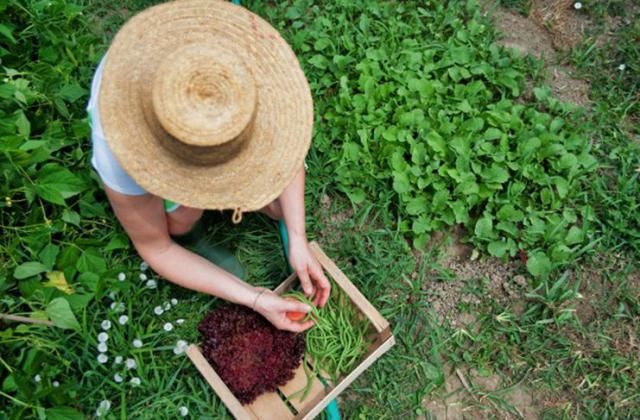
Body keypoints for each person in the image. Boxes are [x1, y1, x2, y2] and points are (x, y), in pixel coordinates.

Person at [86, 0, 330, 332]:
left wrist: (298, 238)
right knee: (179, 219)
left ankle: (253, 200)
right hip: (153, 156)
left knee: (269, 195)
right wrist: (253, 297)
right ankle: (195, 230)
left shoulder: (242, 69)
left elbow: (284, 147)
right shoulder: (119, 150)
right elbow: (156, 247)